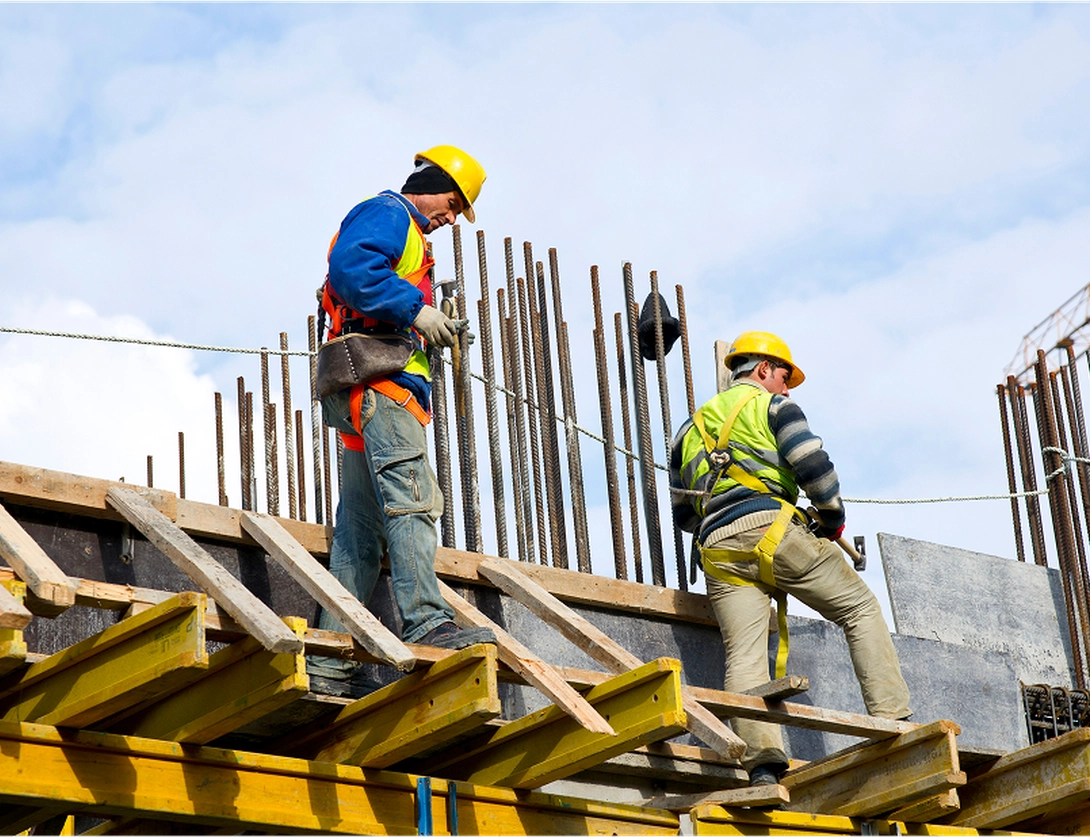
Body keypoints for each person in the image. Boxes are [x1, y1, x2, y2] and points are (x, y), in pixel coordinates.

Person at [669, 331, 911, 786]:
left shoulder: (687, 430)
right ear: (762, 370)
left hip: (718, 549)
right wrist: (832, 519)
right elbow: (812, 465)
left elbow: (683, 512)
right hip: (774, 531)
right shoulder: (773, 407)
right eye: (784, 377)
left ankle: (761, 765)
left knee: (744, 656)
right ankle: (894, 721)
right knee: (859, 608)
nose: (787, 387)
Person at [308, 145, 494, 698]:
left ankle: (331, 659)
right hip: (381, 390)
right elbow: (352, 270)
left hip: (366, 392)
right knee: (414, 501)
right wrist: (417, 311)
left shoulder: (410, 235)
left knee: (360, 533)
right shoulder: (390, 213)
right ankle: (427, 620)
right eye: (453, 202)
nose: (452, 217)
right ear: (431, 182)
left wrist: (424, 318)